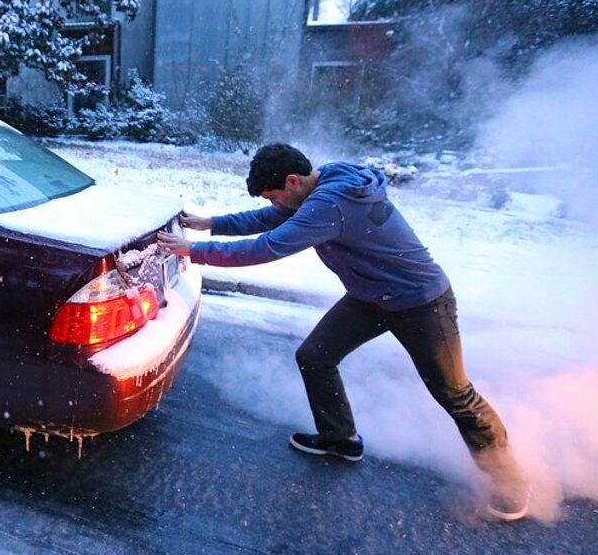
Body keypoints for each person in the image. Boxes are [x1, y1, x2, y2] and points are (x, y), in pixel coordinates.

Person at [156, 143, 530, 521]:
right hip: (371, 297)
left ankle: (511, 482)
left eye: (275, 195)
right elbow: (271, 218)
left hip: (422, 302)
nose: (275, 204)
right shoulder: (320, 185)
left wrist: (193, 250)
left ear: (292, 180)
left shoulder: (331, 204)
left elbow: (269, 246)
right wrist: (212, 224)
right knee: (315, 356)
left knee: (454, 392)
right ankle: (340, 440)